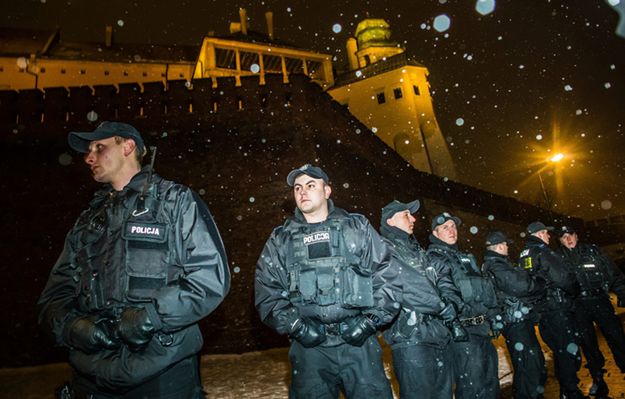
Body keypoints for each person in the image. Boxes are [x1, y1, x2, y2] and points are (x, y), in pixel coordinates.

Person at [38, 121, 231, 398]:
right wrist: (73, 327)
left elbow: (209, 278)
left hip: (161, 373)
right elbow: (53, 298)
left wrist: (151, 317)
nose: (88, 157)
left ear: (128, 146)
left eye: (99, 147)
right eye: (88, 150)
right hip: (90, 377)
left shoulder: (175, 202)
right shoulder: (87, 222)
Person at [255, 164, 399, 399]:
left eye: (311, 185)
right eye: (298, 188)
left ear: (327, 191)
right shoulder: (281, 239)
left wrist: (371, 321)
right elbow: (267, 290)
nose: (303, 192)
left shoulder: (357, 227)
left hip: (359, 344)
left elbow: (387, 274)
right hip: (309, 351)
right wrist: (295, 326)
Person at [379, 200, 465, 399]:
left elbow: (444, 277)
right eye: (406, 215)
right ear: (390, 221)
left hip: (438, 336)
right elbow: (406, 284)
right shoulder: (383, 250)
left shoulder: (419, 252)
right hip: (411, 340)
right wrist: (441, 306)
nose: (413, 218)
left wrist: (451, 302)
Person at [427, 212, 500, 399]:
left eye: (454, 226)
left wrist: (493, 315)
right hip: (462, 334)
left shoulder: (465, 258)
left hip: (482, 330)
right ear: (435, 233)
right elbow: (442, 297)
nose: (452, 231)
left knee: (491, 385)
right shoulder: (434, 258)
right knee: (472, 388)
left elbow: (483, 288)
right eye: (445, 228)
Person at [519, 221, 587, 399]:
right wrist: (576, 290)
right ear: (540, 234)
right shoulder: (542, 251)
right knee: (568, 353)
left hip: (543, 312)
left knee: (560, 351)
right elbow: (563, 278)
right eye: (546, 233)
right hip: (557, 309)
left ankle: (567, 390)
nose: (549, 236)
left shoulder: (524, 254)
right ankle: (571, 393)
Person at [556, 225, 625, 399]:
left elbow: (614, 275)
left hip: (600, 301)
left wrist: (623, 295)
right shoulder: (558, 258)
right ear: (560, 240)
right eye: (564, 237)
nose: (568, 239)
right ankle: (599, 380)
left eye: (570, 234)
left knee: (617, 338)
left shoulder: (592, 251)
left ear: (576, 235)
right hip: (578, 307)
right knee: (589, 345)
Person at [482, 230, 547, 399]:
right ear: (499, 246)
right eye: (505, 244)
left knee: (530, 365)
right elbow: (520, 285)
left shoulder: (499, 263)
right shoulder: (496, 265)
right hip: (515, 323)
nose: (507, 247)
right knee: (529, 367)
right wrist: (539, 282)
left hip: (518, 320)